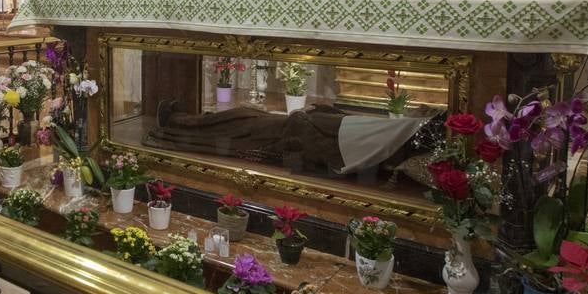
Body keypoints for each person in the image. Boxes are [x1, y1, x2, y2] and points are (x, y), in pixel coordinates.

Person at [145, 102, 436, 177]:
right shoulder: (385, 134)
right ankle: (184, 119)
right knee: (240, 116)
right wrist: (320, 112)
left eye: (422, 112)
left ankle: (175, 122)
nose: (418, 108)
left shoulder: (387, 137)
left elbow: (323, 145)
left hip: (282, 134)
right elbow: (340, 126)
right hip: (287, 128)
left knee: (236, 120)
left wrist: (305, 116)